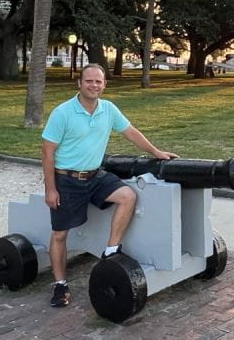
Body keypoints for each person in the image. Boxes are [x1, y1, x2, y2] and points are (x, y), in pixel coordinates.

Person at [41, 63, 177, 308]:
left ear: (104, 85)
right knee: (60, 234)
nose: (93, 85)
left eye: (98, 82)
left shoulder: (108, 109)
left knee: (127, 196)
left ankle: (111, 249)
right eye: (89, 81)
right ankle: (60, 285)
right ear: (79, 83)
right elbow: (47, 152)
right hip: (67, 179)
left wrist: (156, 151)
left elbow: (131, 132)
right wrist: (50, 189)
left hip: (95, 176)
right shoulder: (63, 113)